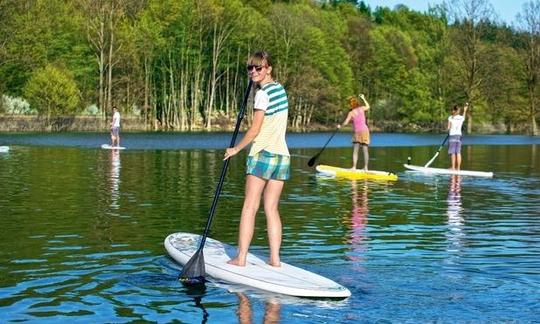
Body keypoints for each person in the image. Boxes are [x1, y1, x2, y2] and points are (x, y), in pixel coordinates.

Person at [224, 51, 290, 268]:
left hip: (262, 154)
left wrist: (236, 149)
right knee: (271, 208)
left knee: (249, 207)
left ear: (268, 69)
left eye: (258, 68)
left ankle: (241, 258)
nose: (253, 71)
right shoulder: (280, 89)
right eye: (250, 68)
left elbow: (254, 130)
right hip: (282, 156)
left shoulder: (262, 95)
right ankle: (275, 260)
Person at [338, 94, 371, 170]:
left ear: (351, 105)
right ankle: (366, 168)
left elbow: (346, 123)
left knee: (356, 150)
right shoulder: (362, 108)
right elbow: (368, 106)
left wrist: (340, 126)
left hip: (358, 132)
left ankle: (354, 167)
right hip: (365, 131)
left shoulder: (351, 113)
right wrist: (363, 98)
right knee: (365, 150)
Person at [447, 103, 468, 170]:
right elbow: (464, 115)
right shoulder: (461, 118)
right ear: (458, 111)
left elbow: (448, 128)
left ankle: (453, 168)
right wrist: (465, 110)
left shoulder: (450, 117)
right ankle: (458, 168)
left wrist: (448, 129)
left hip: (452, 136)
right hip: (459, 136)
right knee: (458, 152)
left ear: (453, 110)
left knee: (453, 153)